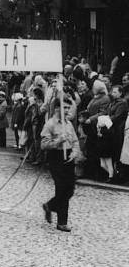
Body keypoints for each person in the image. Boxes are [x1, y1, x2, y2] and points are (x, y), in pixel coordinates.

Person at [41, 97, 78, 232]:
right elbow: (44, 145)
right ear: (57, 108)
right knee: (61, 188)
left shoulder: (69, 123)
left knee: (70, 189)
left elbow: (75, 141)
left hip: (68, 157)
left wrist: (74, 152)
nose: (67, 110)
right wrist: (58, 141)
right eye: (65, 107)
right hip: (56, 157)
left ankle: (50, 205)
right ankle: (62, 222)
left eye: (69, 108)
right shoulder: (50, 124)